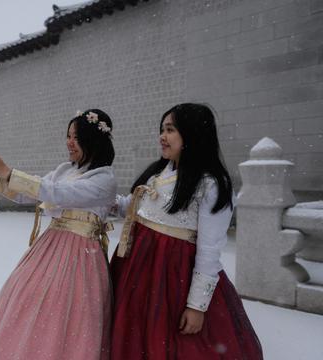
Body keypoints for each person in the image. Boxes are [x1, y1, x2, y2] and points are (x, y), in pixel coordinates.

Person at [109, 103, 263, 359]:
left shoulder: (209, 184)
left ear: (192, 134)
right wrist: (101, 199)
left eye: (170, 130)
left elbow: (210, 250)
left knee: (173, 342)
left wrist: (197, 306)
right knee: (135, 336)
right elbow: (134, 208)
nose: (162, 136)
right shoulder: (157, 173)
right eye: (162, 129)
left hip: (172, 277)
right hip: (137, 271)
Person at [0, 109, 117, 360]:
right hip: (49, 249)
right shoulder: (65, 169)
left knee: (68, 317)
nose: (69, 142)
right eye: (68, 136)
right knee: (28, 306)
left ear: (92, 139)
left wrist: (8, 172)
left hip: (80, 259)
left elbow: (57, 193)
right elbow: (28, 194)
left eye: (76, 136)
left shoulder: (104, 179)